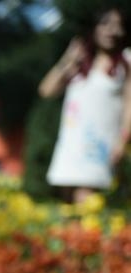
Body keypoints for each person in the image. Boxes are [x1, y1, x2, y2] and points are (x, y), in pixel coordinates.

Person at [39, 7, 131, 203]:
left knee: (87, 200)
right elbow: (46, 91)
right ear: (95, 28)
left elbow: (129, 105)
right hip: (71, 144)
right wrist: (67, 60)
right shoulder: (79, 63)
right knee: (67, 202)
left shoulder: (126, 64)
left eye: (118, 26)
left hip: (100, 145)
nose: (111, 30)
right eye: (105, 24)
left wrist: (123, 140)